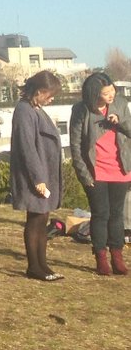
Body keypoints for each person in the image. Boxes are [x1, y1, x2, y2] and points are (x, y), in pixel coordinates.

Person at [69, 71, 131, 276]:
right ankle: (100, 256)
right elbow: (76, 146)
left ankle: (117, 255)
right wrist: (84, 175)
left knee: (117, 215)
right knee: (100, 214)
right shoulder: (81, 110)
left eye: (112, 90)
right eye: (106, 93)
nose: (111, 95)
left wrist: (119, 122)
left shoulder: (121, 104)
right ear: (95, 94)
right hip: (95, 172)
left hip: (120, 169)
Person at [9, 70, 64, 282]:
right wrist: (38, 178)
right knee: (35, 220)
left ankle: (43, 264)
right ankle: (34, 266)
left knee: (43, 219)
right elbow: (27, 147)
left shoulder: (34, 108)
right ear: (40, 91)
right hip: (34, 176)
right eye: (50, 95)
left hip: (43, 173)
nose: (51, 99)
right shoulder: (24, 110)